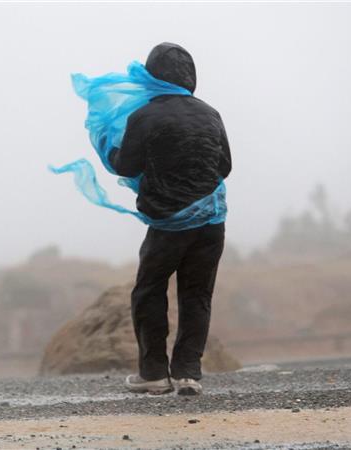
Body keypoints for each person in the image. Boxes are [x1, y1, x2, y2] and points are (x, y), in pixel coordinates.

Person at [110, 43, 232, 396]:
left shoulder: (144, 116)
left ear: (152, 75)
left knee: (149, 291)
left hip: (168, 225)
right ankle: (187, 373)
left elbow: (125, 165)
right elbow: (225, 166)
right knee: (197, 295)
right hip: (211, 222)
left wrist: (109, 145)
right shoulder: (211, 114)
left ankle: (153, 374)